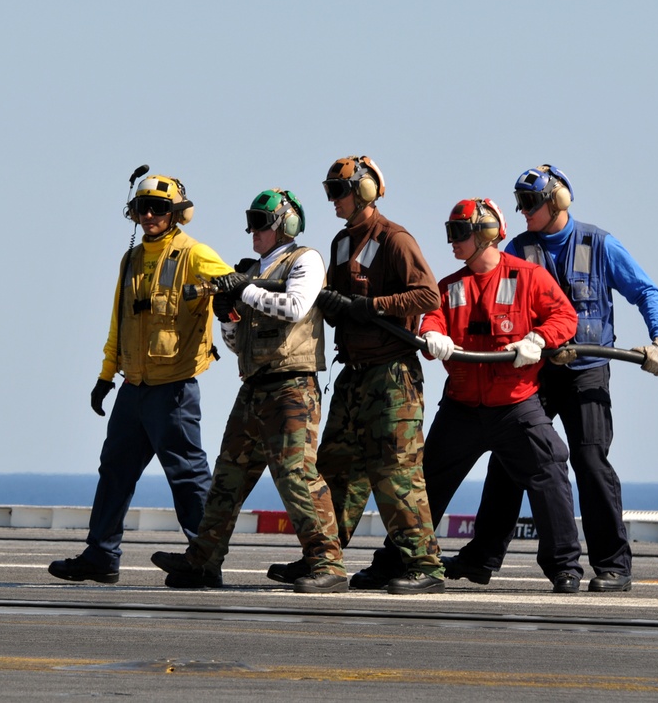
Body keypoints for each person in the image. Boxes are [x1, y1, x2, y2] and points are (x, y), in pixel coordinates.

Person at [441, 165, 658, 593]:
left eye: (529, 203)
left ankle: (613, 565)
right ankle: (481, 557)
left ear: (557, 202)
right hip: (536, 374)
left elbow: (645, 291)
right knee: (509, 460)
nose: (522, 210)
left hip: (586, 374)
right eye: (520, 203)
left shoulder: (599, 244)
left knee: (590, 461)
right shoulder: (518, 248)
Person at [351, 198, 586, 593]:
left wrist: (540, 337)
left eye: (458, 234)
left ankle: (565, 567)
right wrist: (434, 334)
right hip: (461, 407)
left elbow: (565, 316)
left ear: (487, 235)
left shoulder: (529, 278)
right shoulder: (450, 287)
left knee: (550, 471)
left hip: (515, 406)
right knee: (424, 484)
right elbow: (433, 318)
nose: (451, 242)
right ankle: (396, 561)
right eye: (450, 233)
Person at [150, 188, 349, 593]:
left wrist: (243, 290)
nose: (251, 231)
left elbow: (295, 306)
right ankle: (203, 561)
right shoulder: (254, 269)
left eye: (259, 223)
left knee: (296, 475)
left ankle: (328, 563)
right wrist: (226, 317)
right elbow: (237, 344)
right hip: (256, 387)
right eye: (251, 222)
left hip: (293, 386)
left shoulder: (304, 260)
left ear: (283, 226)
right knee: (229, 475)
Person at [267, 155, 447, 594]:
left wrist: (375, 307)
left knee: (396, 471)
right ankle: (323, 558)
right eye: (330, 192)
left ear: (364, 191)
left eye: (339, 192)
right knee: (335, 469)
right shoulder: (341, 243)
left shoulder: (395, 239)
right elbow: (341, 309)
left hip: (392, 378)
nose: (333, 201)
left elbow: (428, 295)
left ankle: (425, 565)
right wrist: (333, 306)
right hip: (354, 376)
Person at [48, 172, 233, 584]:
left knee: (186, 474)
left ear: (177, 213)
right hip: (132, 388)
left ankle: (204, 561)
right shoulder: (131, 259)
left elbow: (233, 284)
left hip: (174, 388)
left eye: (159, 209)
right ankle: (101, 555)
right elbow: (120, 321)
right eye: (142, 208)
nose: (148, 215)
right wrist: (105, 375)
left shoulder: (194, 254)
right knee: (114, 470)